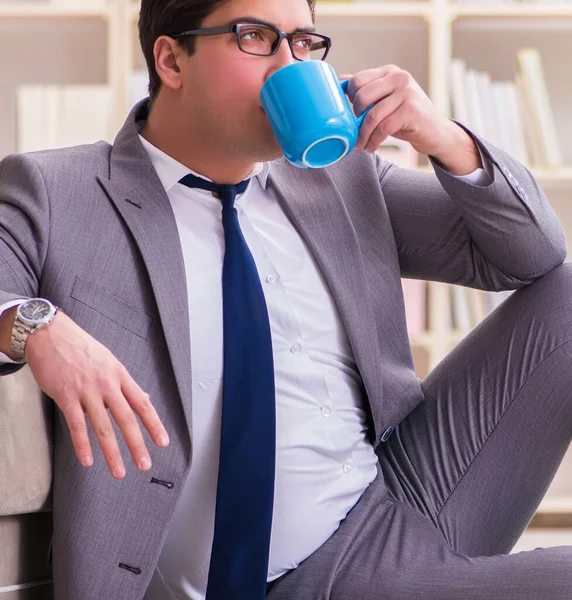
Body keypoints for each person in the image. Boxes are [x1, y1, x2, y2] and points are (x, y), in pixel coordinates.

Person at [1, 0, 571, 598]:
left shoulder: (343, 179)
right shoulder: (59, 191)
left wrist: (446, 139)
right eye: (256, 37)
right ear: (171, 58)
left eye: (302, 43)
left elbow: (531, 255)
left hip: (391, 507)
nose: (288, 66)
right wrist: (37, 326)